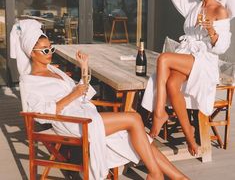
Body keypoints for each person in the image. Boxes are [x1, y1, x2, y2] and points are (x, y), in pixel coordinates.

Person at [10, 19, 188, 180]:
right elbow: (39, 114)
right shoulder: (29, 81)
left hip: (84, 114)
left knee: (135, 136)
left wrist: (84, 67)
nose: (50, 53)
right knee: (133, 119)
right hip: (71, 122)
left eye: (51, 48)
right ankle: (155, 174)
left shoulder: (53, 70)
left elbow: (82, 90)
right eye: (45, 50)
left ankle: (178, 178)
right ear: (31, 53)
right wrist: (73, 95)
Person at [141, 0, 235, 156]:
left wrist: (211, 31)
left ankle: (159, 113)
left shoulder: (220, 10)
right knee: (172, 85)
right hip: (187, 55)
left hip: (204, 60)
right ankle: (190, 137)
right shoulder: (193, 6)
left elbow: (222, 47)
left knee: (164, 59)